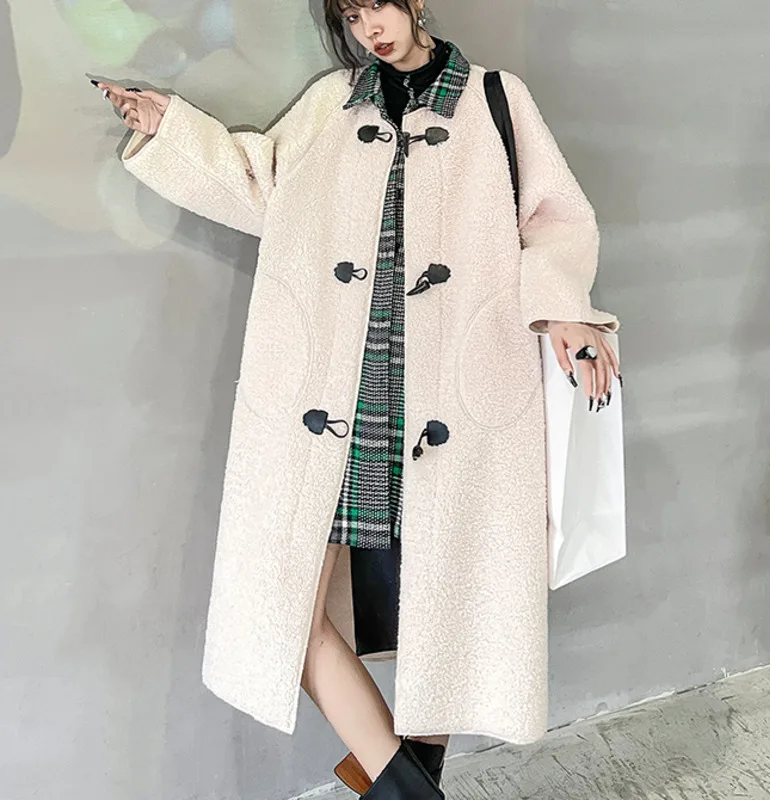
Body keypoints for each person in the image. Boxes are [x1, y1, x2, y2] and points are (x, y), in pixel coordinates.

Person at [95, 1, 620, 797]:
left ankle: (399, 780)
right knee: (287, 611)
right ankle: (405, 785)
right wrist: (171, 126)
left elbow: (554, 222)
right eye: (349, 14)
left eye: (376, 3)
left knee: (446, 605)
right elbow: (261, 183)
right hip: (342, 389)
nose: (368, 27)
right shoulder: (332, 103)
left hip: (458, 388)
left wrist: (565, 311)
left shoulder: (496, 98)